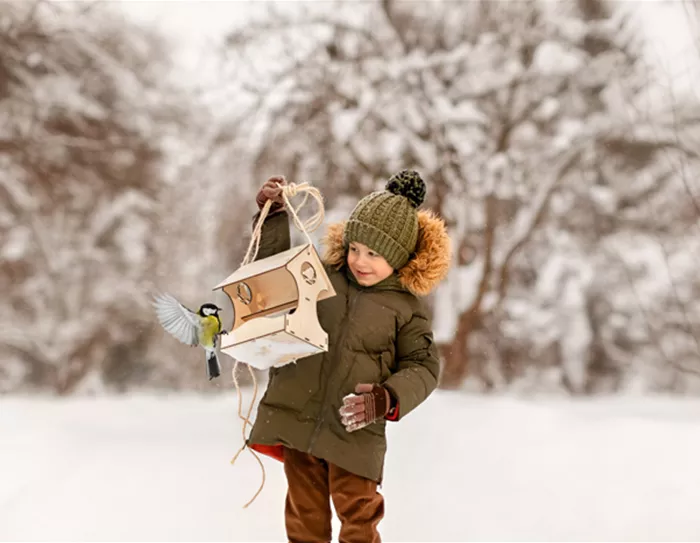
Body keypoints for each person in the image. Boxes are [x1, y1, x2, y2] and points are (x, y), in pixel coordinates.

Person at [247, 170, 451, 543]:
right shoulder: (322, 276)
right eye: (356, 248)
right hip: (299, 416)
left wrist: (387, 397)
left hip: (355, 429)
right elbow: (271, 281)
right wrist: (273, 218)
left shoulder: (405, 309)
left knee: (359, 516)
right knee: (304, 518)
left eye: (374, 254)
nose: (360, 260)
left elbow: (424, 366)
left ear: (399, 258)